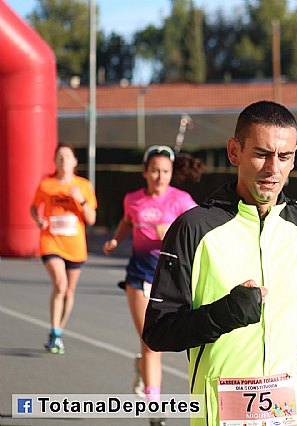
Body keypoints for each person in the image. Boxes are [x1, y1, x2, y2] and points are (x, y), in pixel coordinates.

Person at [142, 100, 297, 426]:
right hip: (220, 414)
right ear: (235, 152)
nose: (273, 168)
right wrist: (224, 313)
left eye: (284, 156)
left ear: (293, 159)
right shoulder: (194, 229)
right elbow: (159, 332)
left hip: (295, 414)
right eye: (261, 154)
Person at [102, 145, 199, 422]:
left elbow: (200, 231)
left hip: (172, 279)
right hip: (139, 277)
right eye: (155, 170)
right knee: (150, 341)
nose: (160, 176)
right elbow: (125, 222)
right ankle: (153, 405)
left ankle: (142, 368)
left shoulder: (181, 201)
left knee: (167, 342)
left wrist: (171, 232)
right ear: (145, 172)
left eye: (165, 171)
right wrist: (115, 240)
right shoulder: (133, 200)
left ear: (172, 174)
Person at [30, 143, 97, 354]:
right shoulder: (46, 185)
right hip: (51, 241)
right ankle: (55, 331)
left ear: (75, 162)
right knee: (60, 284)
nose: (64, 160)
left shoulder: (84, 185)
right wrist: (38, 219)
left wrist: (81, 200)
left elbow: (92, 219)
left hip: (75, 246)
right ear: (55, 161)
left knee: (69, 290)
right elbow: (33, 207)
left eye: (68, 156)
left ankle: (57, 332)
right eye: (60, 156)